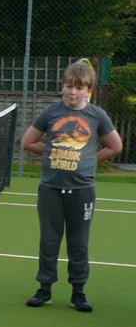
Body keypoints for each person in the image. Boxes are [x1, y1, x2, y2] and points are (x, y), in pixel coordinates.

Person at [20, 58, 122, 312]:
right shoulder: (51, 113)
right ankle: (44, 289)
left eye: (79, 88)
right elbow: (28, 141)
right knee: (49, 241)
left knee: (78, 243)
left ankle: (79, 291)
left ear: (89, 91)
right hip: (51, 189)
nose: (73, 92)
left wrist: (90, 160)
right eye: (69, 86)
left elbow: (115, 146)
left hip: (82, 191)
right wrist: (49, 154)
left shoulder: (97, 116)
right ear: (62, 86)